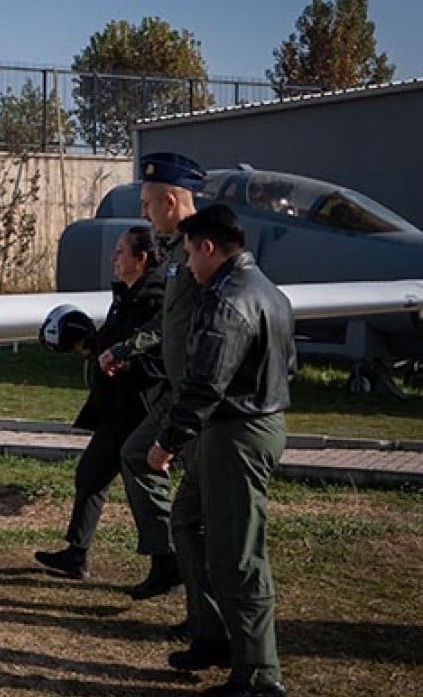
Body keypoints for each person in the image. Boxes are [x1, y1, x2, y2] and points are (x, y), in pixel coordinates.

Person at [148, 204, 294, 697]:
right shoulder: (268, 291)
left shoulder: (228, 299)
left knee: (239, 553)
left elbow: (205, 383)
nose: (187, 265)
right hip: (242, 426)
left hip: (237, 432)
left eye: (190, 254)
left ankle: (259, 675)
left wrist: (167, 441)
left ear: (208, 248)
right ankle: (211, 633)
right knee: (187, 522)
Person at [98, 152, 205, 601]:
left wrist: (125, 347)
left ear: (170, 201)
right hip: (181, 389)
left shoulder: (203, 249)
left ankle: (201, 601)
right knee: (138, 455)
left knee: (199, 506)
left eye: (147, 204)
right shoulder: (177, 252)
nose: (143, 213)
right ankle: (167, 563)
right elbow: (169, 323)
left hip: (201, 392)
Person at [34, 226, 164, 579]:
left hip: (140, 412)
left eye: (121, 251)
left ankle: (166, 566)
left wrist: (120, 362)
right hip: (115, 411)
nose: (114, 257)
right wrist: (86, 344)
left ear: (142, 259)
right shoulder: (127, 296)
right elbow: (110, 343)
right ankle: (77, 555)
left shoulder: (155, 300)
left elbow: (159, 360)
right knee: (90, 475)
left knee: (145, 492)